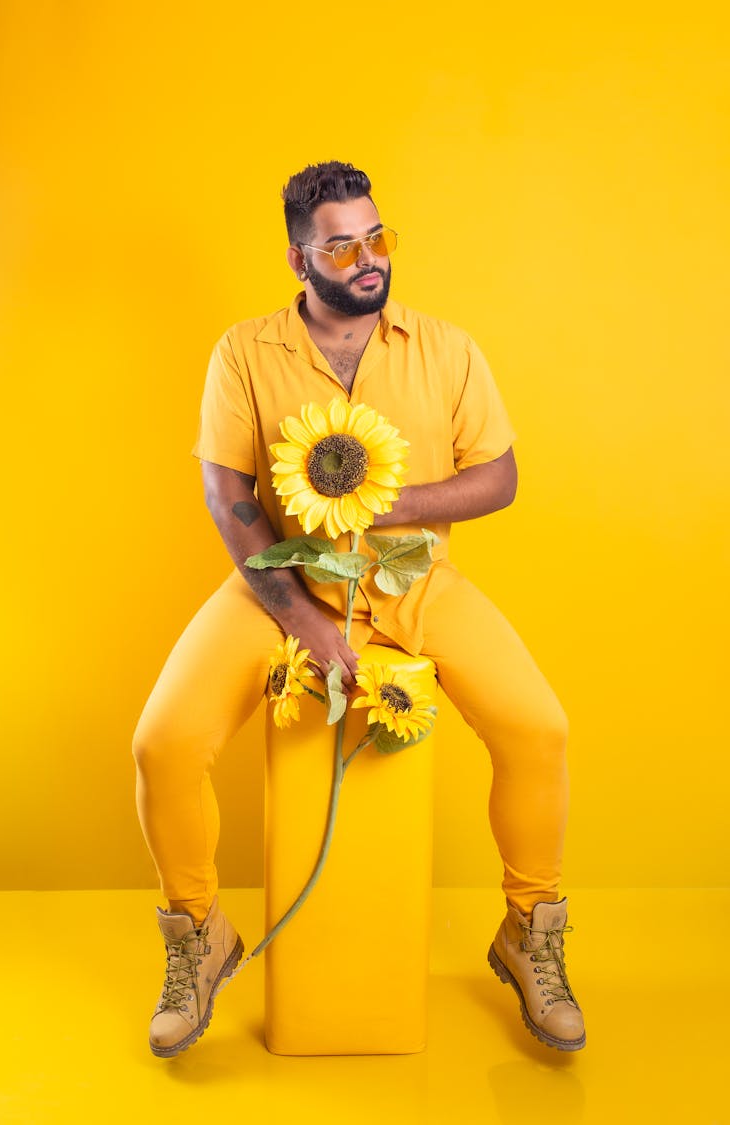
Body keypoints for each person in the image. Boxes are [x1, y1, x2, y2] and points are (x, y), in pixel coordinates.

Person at [133, 161, 586, 1058]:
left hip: (415, 582)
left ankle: (529, 930)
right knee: (163, 741)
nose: (369, 258)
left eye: (377, 237)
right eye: (342, 244)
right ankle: (199, 934)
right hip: (282, 581)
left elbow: (499, 476)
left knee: (540, 729)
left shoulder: (448, 347)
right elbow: (230, 498)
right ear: (300, 259)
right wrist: (299, 616)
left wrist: (401, 505)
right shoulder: (244, 352)